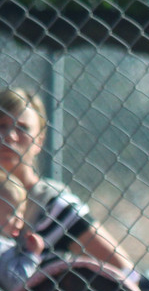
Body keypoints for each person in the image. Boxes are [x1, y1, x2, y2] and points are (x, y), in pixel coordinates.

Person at [0, 87, 134, 274]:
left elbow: (123, 269)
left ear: (39, 141)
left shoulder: (54, 205)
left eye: (22, 128)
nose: (9, 136)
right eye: (1, 125)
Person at [0, 175, 44, 291]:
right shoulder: (2, 247)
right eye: (11, 212)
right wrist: (32, 255)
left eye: (21, 212)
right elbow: (18, 283)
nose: (19, 219)